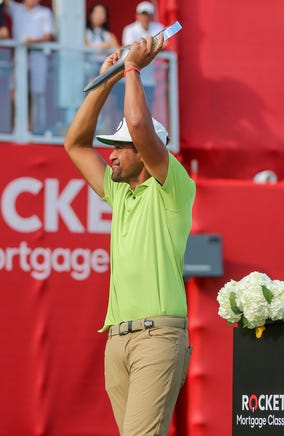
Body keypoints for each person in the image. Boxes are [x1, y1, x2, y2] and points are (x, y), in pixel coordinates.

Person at [64, 33, 196, 435]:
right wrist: (106, 82)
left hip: (158, 338)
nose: (113, 154)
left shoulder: (173, 186)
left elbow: (139, 124)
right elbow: (75, 144)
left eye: (122, 147)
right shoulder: (121, 193)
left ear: (147, 151)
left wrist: (133, 67)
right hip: (117, 344)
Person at [3, 0, 56, 133]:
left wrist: (32, 41)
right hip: (18, 57)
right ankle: (15, 127)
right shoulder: (16, 9)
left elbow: (48, 35)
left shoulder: (44, 12)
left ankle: (32, 128)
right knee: (15, 91)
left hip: (37, 57)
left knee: (35, 93)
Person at [122, 1, 164, 110]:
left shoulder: (158, 27)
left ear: (151, 16)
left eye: (147, 15)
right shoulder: (129, 29)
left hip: (149, 79)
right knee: (126, 110)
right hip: (130, 76)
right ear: (138, 16)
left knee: (146, 110)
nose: (145, 18)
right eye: (143, 14)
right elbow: (129, 49)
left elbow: (164, 44)